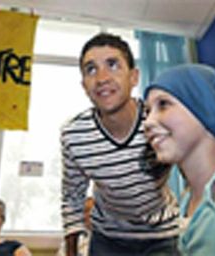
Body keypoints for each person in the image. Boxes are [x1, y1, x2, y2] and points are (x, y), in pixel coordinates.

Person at [61, 33, 180, 256]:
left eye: (113, 65)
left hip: (161, 235)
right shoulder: (73, 135)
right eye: (91, 69)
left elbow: (195, 170)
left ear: (134, 77)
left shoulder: (161, 121)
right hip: (108, 238)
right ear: (84, 85)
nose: (102, 78)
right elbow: (72, 198)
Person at [143, 63, 215, 255]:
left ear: (206, 109)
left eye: (163, 104)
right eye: (148, 111)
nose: (147, 122)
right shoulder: (187, 198)